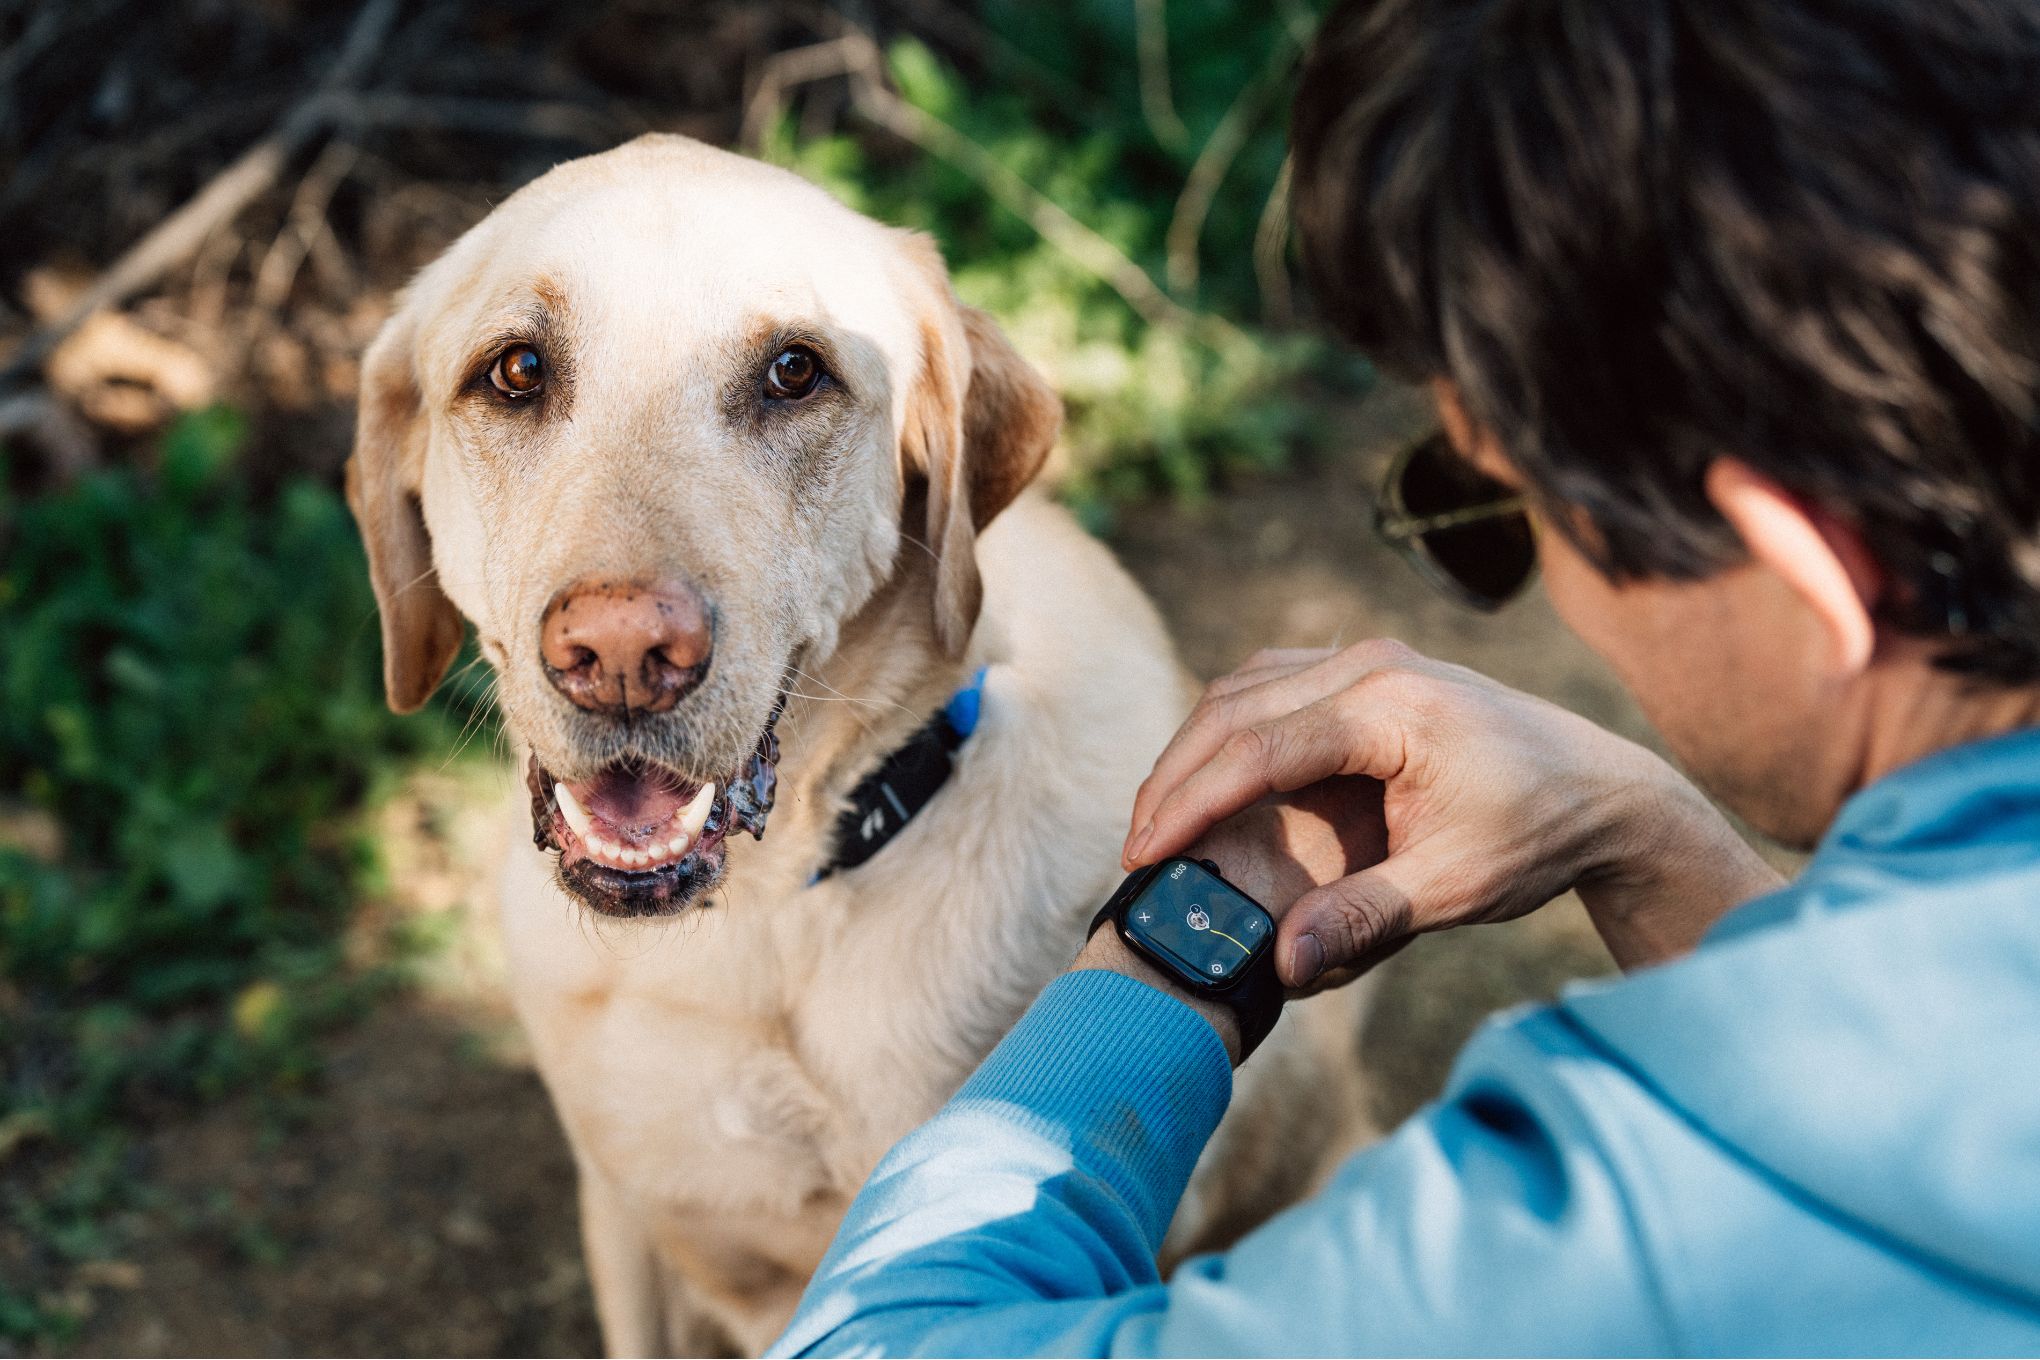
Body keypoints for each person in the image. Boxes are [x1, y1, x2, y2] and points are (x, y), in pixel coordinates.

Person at [771, 0, 2040, 1352]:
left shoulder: (1645, 1211)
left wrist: (1179, 955)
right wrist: (1648, 836)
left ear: (1802, 575)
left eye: (1508, 510)